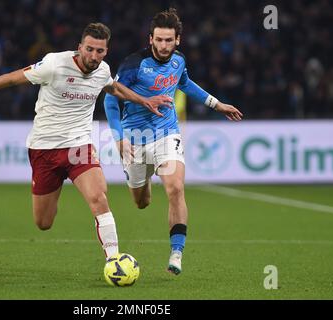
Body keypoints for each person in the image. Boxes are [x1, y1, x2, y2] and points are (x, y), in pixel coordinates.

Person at [0, 23, 172, 260]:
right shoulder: (54, 64)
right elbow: (12, 79)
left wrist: (144, 101)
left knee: (98, 196)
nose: (94, 56)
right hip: (44, 148)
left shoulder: (102, 70)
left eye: (100, 51)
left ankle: (114, 259)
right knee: (43, 222)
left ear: (106, 51)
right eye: (89, 49)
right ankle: (57, 188)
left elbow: (114, 88)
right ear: (79, 48)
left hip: (79, 146)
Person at [104, 9, 243, 274]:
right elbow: (111, 98)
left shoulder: (178, 60)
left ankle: (176, 253)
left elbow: (186, 83)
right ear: (150, 39)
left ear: (178, 39)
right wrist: (119, 138)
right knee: (141, 202)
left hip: (167, 133)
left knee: (175, 188)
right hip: (135, 139)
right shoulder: (133, 65)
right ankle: (145, 179)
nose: (164, 45)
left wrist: (217, 104)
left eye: (169, 40)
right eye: (159, 40)